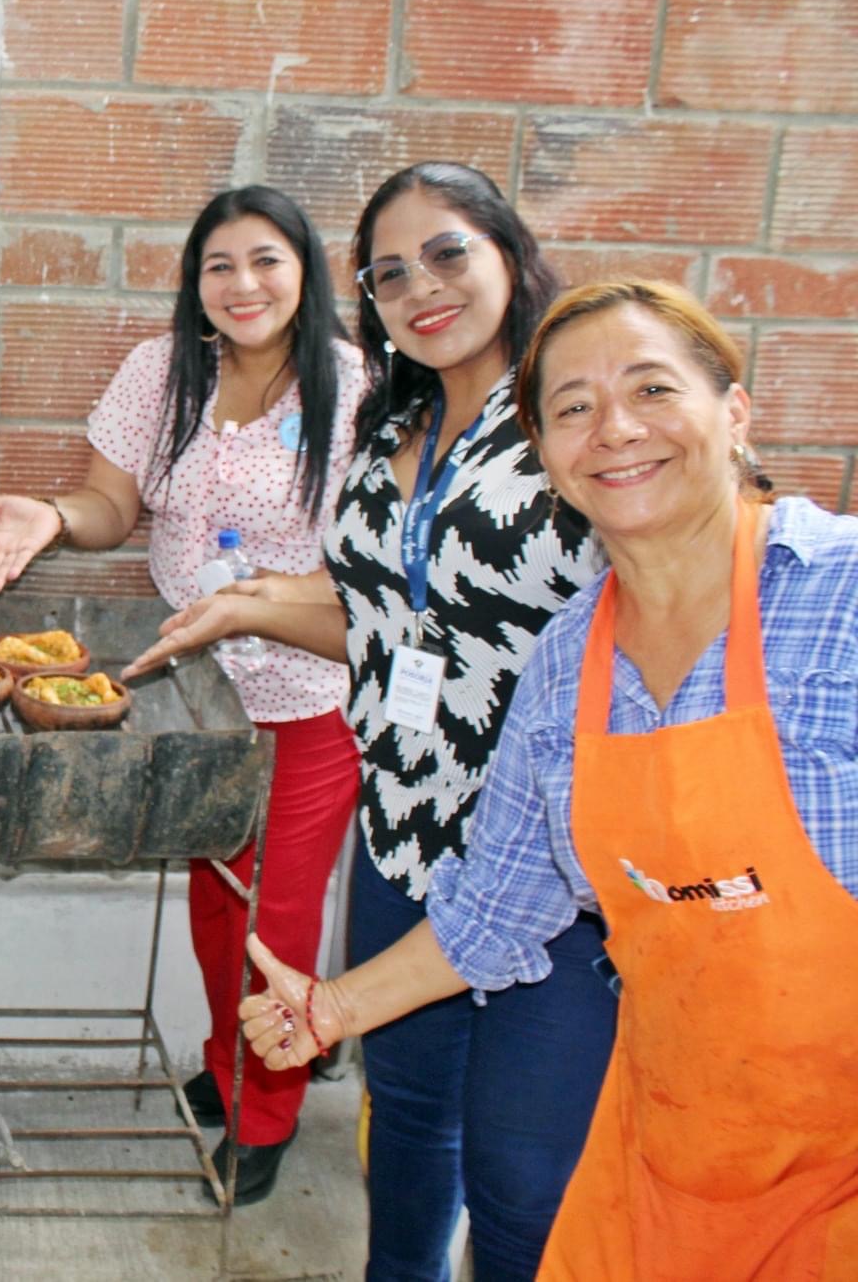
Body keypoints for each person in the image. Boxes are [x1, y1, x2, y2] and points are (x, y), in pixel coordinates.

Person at [238, 279, 858, 1281]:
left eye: (651, 389)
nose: (613, 428)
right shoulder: (567, 665)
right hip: (676, 1149)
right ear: (546, 461)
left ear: (734, 412)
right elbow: (498, 910)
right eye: (572, 407)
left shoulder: (839, 594)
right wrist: (331, 1009)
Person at [126, 163, 618, 1279]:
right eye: (389, 273)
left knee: (519, 1182)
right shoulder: (399, 416)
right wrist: (245, 607)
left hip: (551, 856)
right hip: (404, 830)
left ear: (508, 253)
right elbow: (388, 617)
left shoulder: (568, 409)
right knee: (405, 1128)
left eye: (446, 254)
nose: (420, 288)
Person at [0, 185, 367, 1204]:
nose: (243, 284)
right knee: (215, 904)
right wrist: (54, 516)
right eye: (218, 265)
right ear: (194, 283)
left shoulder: (354, 388)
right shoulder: (161, 371)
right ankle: (229, 1066)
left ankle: (266, 1114)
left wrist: (267, 603)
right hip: (192, 696)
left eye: (266, 260)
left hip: (304, 697)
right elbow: (112, 505)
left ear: (305, 272)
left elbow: (368, 565)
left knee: (273, 921)